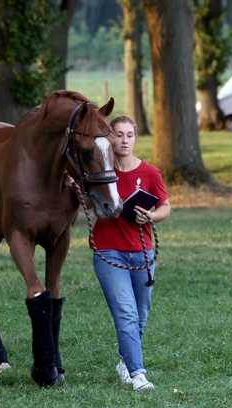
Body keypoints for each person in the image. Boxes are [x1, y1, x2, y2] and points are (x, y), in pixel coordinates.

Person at [90, 115, 171, 391]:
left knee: (141, 313)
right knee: (126, 312)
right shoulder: (100, 171)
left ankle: (125, 361)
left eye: (129, 135)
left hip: (143, 254)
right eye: (119, 134)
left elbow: (165, 207)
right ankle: (138, 374)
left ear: (135, 137)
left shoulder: (149, 172)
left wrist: (150, 216)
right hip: (109, 253)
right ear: (110, 138)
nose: (124, 140)